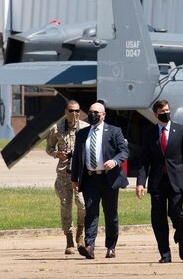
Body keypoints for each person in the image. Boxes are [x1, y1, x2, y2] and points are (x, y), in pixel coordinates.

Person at [136, 100, 183, 263]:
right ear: (155, 113)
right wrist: (141, 183)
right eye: (162, 111)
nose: (166, 113)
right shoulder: (149, 133)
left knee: (176, 212)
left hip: (176, 180)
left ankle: (181, 236)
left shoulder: (181, 130)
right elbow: (144, 161)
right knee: (158, 217)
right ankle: (165, 253)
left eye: (168, 110)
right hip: (157, 182)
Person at [71, 102, 129, 259]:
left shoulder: (114, 131)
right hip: (90, 179)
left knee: (110, 214)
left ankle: (111, 246)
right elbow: (77, 158)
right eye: (90, 112)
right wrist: (74, 179)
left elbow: (124, 151)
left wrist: (115, 161)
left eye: (96, 112)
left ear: (103, 115)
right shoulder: (82, 134)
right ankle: (90, 246)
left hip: (109, 178)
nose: (93, 114)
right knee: (91, 212)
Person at [45, 99, 89, 254]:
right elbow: (49, 148)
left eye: (77, 110)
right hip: (64, 173)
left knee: (82, 204)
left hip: (81, 174)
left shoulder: (85, 128)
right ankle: (69, 239)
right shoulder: (56, 129)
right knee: (66, 206)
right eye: (71, 111)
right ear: (66, 112)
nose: (75, 114)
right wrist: (57, 154)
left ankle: (80, 233)